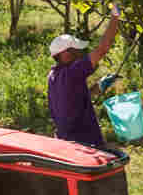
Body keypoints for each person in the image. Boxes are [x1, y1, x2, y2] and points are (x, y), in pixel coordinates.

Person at [46, 9, 120, 148]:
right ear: (66, 53)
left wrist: (99, 86)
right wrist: (115, 15)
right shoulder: (73, 72)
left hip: (66, 141)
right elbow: (102, 49)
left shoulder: (53, 75)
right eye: (77, 50)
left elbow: (72, 99)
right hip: (84, 142)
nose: (81, 53)